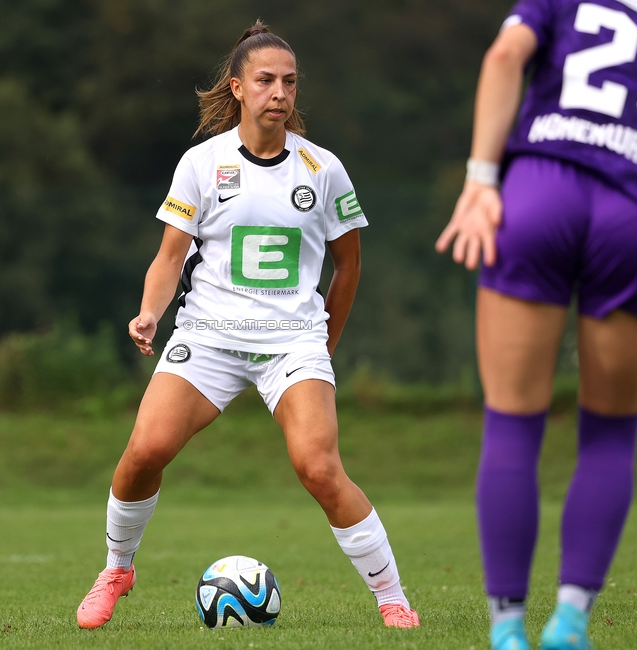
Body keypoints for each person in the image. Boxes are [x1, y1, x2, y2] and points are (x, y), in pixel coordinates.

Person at [76, 20, 420, 631]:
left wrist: (323, 345)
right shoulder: (201, 163)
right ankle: (117, 567)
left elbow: (349, 267)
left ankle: (392, 598)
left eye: (289, 82)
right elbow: (169, 255)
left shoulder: (324, 169)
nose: (280, 93)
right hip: (208, 335)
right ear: (237, 88)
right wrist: (151, 310)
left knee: (318, 467)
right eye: (265, 80)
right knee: (144, 451)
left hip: (292, 342)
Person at [435, 0, 637, 648]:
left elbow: (503, 56)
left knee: (513, 422)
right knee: (610, 435)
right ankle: (570, 621)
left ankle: (508, 630)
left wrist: (482, 180)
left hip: (539, 192)